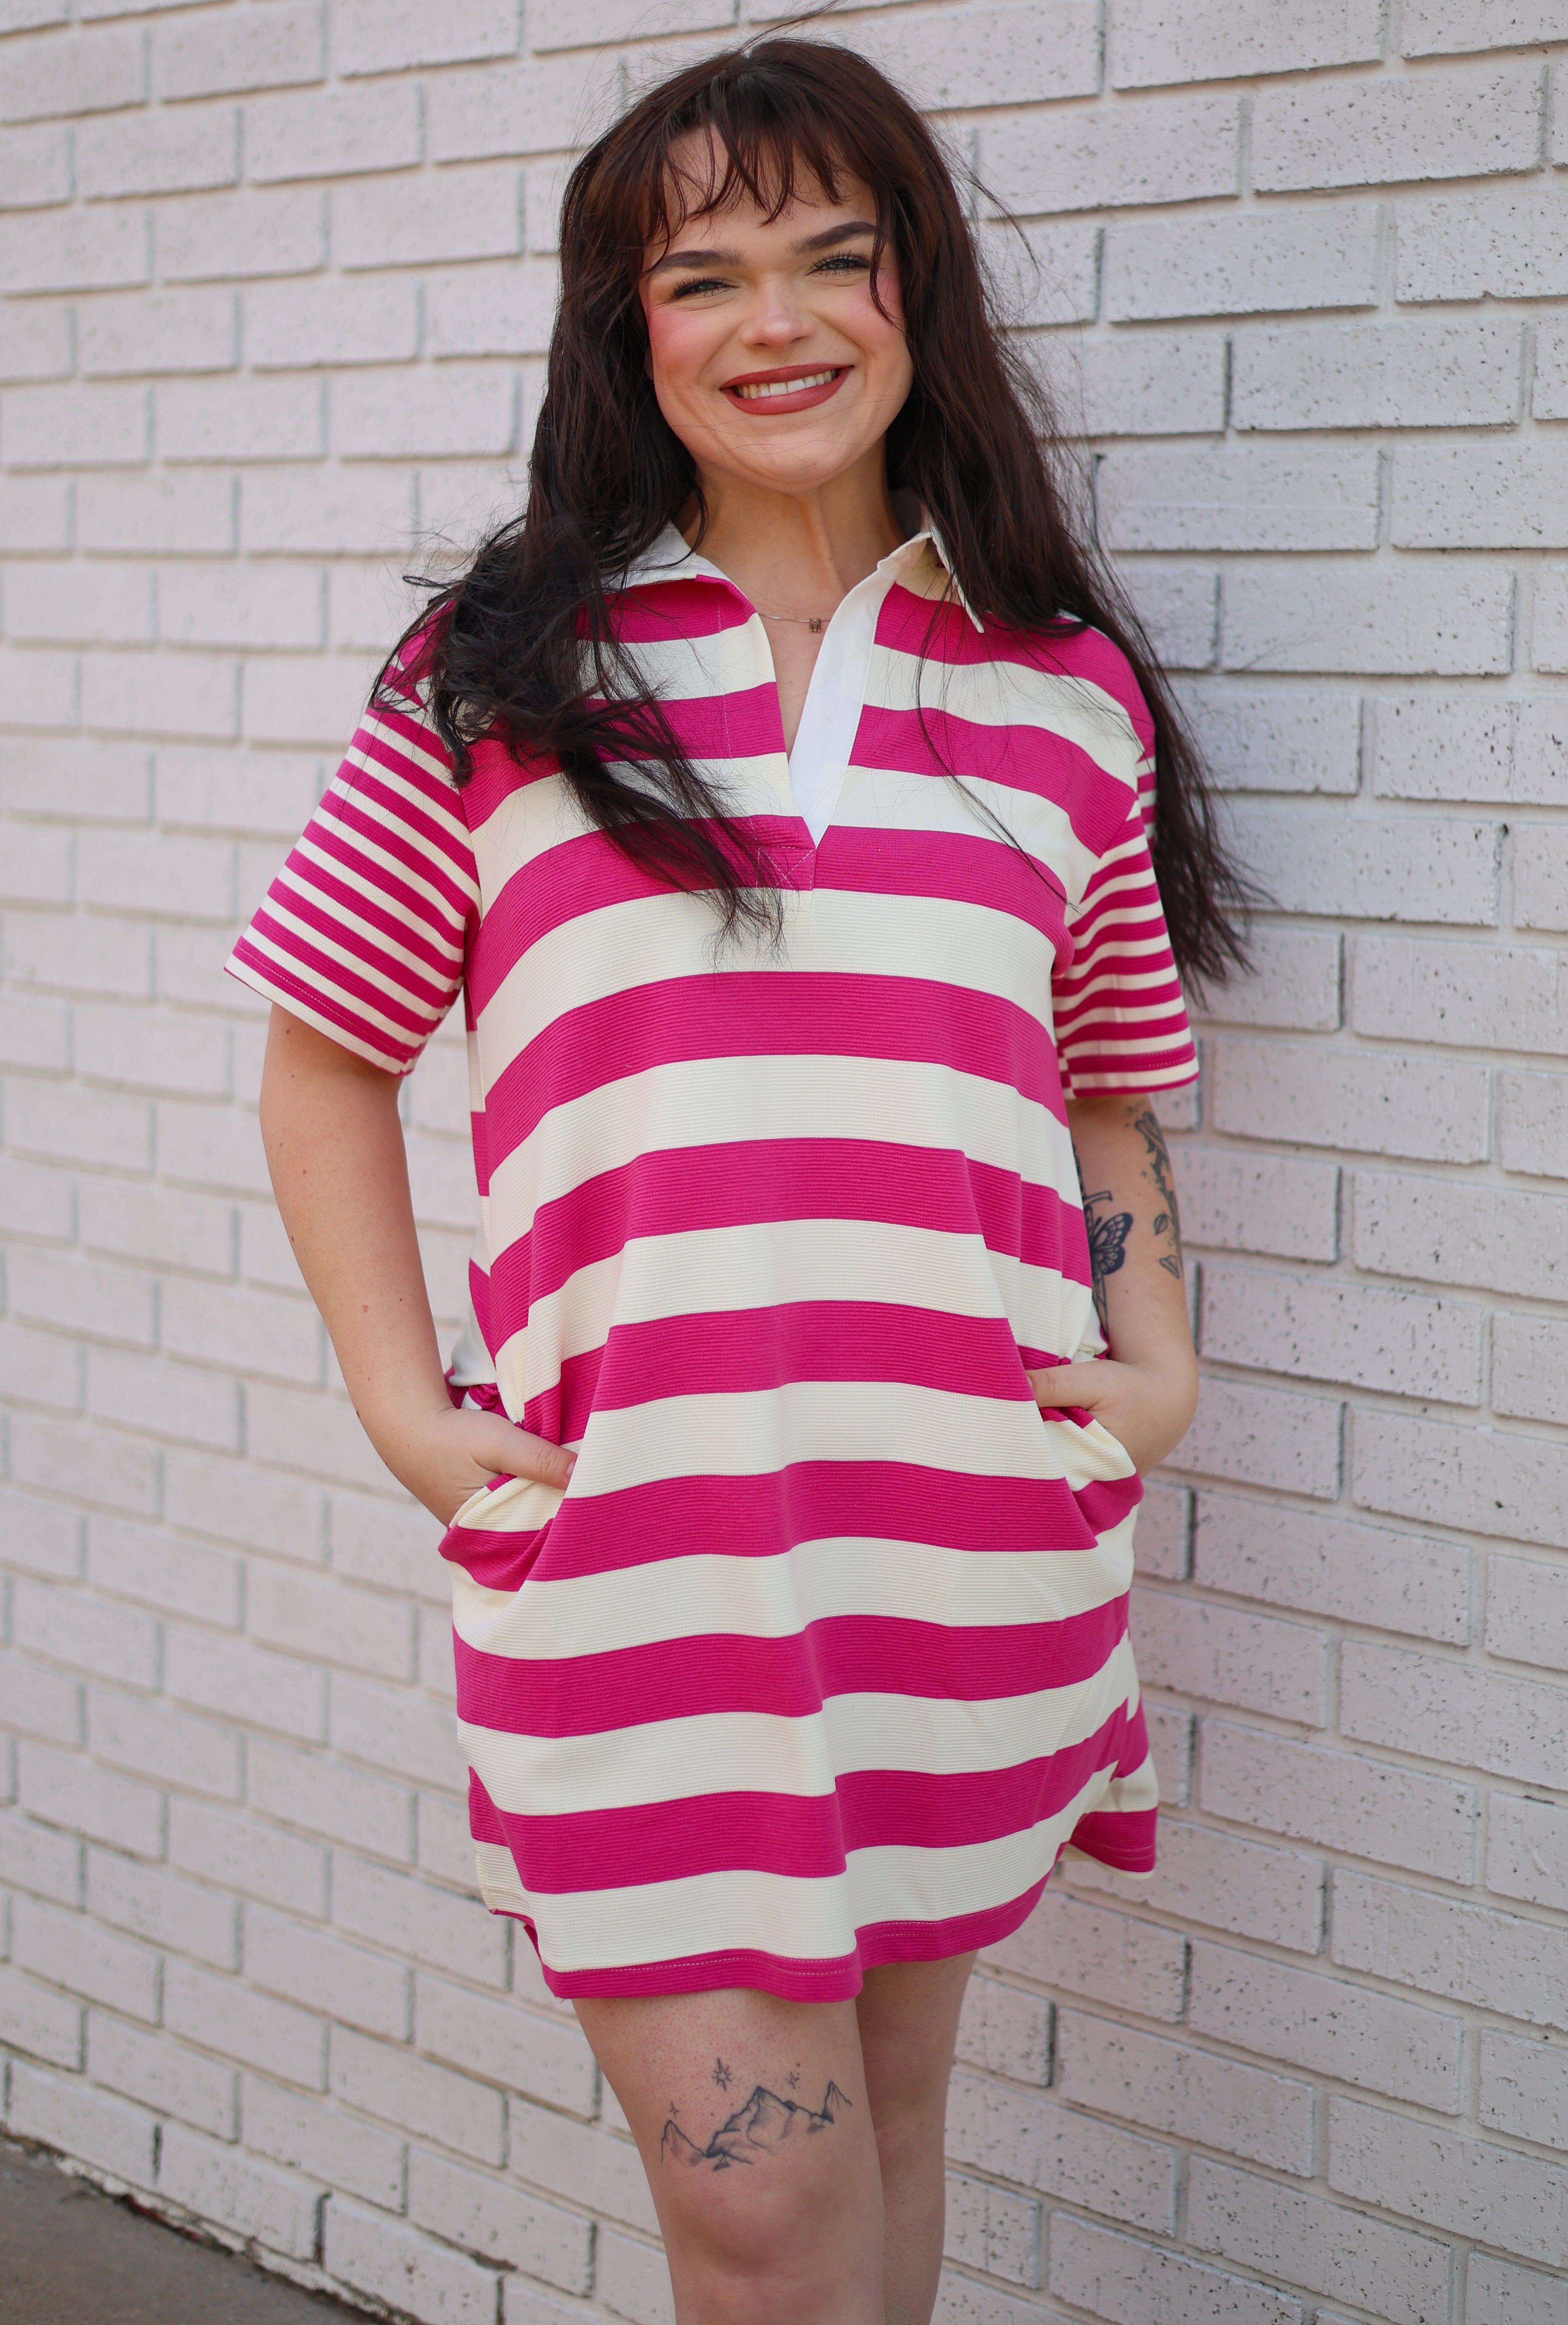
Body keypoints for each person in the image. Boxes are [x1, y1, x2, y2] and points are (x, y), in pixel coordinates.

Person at [231, 34, 1247, 2325]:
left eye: (831, 255)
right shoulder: (500, 680)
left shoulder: (1062, 692)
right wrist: (413, 1420)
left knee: (890, 2135)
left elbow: (1102, 1078)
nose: (776, 321)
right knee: (763, 2212)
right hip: (646, 1578)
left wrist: (1156, 1361)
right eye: (705, 275)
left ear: (919, 295)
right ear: (632, 333)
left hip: (964, 1561)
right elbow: (320, 1066)